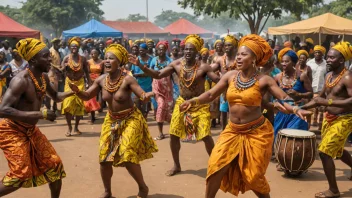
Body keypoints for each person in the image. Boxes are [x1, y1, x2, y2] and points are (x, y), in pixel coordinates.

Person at [178, 34, 311, 198]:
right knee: (215, 167)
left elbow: (283, 97)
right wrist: (193, 101)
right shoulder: (230, 76)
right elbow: (211, 93)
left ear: (254, 58)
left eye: (244, 54)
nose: (239, 57)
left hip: (256, 133)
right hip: (232, 131)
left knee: (253, 176)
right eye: (238, 54)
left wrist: (295, 109)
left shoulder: (264, 80)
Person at [69, 43, 158, 198]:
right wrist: (77, 91)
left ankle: (143, 188)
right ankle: (108, 192)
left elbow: (141, 96)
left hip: (131, 118)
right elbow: (87, 96)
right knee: (104, 158)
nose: (107, 61)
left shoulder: (128, 79)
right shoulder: (101, 80)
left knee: (127, 154)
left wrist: (149, 95)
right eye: (106, 58)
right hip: (111, 120)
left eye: (112, 58)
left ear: (120, 62)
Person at [128, 34, 220, 176]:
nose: (188, 52)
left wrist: (226, 77)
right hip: (182, 103)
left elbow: (218, 81)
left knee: (205, 135)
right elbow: (158, 74)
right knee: (174, 134)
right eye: (186, 49)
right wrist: (141, 66)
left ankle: (216, 164)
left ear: (197, 52)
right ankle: (176, 165)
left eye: (192, 49)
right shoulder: (176, 64)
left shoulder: (204, 67)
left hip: (199, 105)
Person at [0, 38, 74, 197]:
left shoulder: (43, 78)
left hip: (30, 130)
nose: (50, 59)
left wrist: (74, 92)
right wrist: (40, 114)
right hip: (11, 131)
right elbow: (3, 110)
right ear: (33, 59)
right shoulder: (20, 80)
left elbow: (56, 96)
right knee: (19, 175)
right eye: (46, 56)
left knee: (54, 167)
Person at [301, 41, 352, 198]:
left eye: (331, 58)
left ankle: (334, 190)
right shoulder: (329, 76)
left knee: (324, 152)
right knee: (337, 150)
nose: (328, 60)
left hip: (344, 119)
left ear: (342, 60)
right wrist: (302, 109)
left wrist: (328, 103)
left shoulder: (348, 77)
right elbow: (320, 98)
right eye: (328, 57)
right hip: (328, 118)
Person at [274, 48, 313, 139]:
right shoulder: (277, 77)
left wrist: (299, 95)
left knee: (294, 140)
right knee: (279, 140)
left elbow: (311, 93)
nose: (283, 64)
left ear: (294, 63)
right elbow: (273, 96)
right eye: (282, 61)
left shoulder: (301, 76)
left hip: (297, 113)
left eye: (286, 61)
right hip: (282, 113)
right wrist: (275, 102)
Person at [61, 37, 91, 137]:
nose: (74, 48)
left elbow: (86, 71)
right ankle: (69, 127)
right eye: (72, 46)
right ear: (69, 47)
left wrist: (89, 83)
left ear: (78, 47)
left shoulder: (82, 59)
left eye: (76, 46)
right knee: (67, 104)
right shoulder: (66, 58)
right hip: (69, 83)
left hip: (80, 83)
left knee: (79, 104)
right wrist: (64, 68)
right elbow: (61, 71)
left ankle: (76, 127)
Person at [211, 35, 238, 130]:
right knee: (223, 111)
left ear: (235, 47)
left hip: (237, 91)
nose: (226, 47)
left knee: (234, 113)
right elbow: (210, 70)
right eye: (225, 45)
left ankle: (233, 132)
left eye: (229, 45)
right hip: (224, 92)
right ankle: (223, 132)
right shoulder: (219, 60)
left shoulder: (239, 60)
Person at [149, 41, 173, 140]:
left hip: (167, 89)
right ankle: (160, 133)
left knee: (167, 111)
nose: (161, 51)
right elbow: (150, 72)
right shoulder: (154, 60)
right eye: (159, 49)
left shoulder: (169, 61)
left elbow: (173, 75)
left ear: (166, 50)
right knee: (161, 106)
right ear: (157, 50)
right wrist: (153, 85)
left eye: (163, 49)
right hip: (157, 89)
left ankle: (176, 129)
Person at [307, 45, 327, 130]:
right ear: (314, 53)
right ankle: (311, 127)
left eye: (319, 52)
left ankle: (319, 127)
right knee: (312, 108)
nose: (317, 54)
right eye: (316, 52)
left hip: (322, 89)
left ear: (322, 54)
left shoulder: (326, 64)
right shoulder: (309, 63)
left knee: (321, 108)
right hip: (311, 89)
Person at [131, 43, 153, 118]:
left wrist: (139, 75)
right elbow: (133, 72)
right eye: (140, 50)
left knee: (145, 105)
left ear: (146, 50)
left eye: (143, 50)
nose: (141, 52)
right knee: (136, 104)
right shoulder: (136, 59)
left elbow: (150, 72)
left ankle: (144, 119)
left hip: (147, 85)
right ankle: (140, 119)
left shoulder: (151, 59)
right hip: (137, 85)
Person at [45, 38, 64, 113]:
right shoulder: (51, 51)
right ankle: (48, 108)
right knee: (49, 90)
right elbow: (49, 62)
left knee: (56, 90)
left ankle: (55, 107)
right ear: (54, 44)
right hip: (51, 73)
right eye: (58, 44)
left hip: (57, 74)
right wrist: (57, 68)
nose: (59, 45)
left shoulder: (58, 51)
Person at [85, 49, 104, 124]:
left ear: (98, 54)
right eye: (92, 54)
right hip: (91, 81)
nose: (93, 55)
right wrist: (89, 81)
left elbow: (103, 72)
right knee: (91, 99)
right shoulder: (88, 62)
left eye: (95, 53)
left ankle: (100, 108)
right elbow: (87, 72)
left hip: (100, 80)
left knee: (100, 98)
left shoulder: (102, 62)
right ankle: (92, 117)